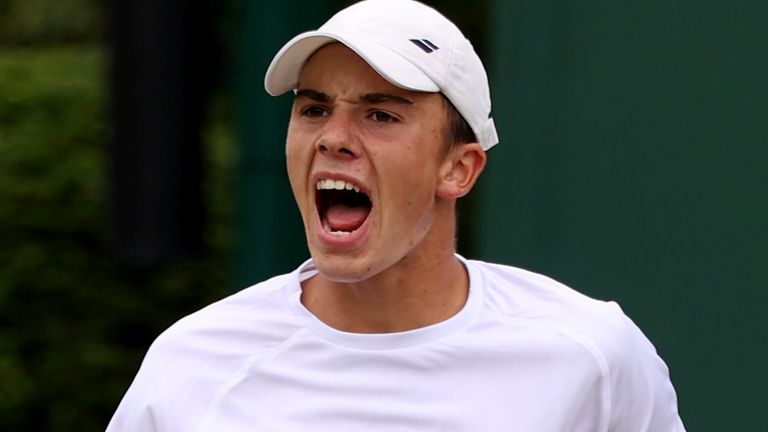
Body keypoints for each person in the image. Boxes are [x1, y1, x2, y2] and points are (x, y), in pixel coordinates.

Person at [107, 0, 685, 430]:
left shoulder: (592, 355)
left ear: (458, 169)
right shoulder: (194, 363)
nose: (333, 137)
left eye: (380, 115)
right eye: (314, 109)